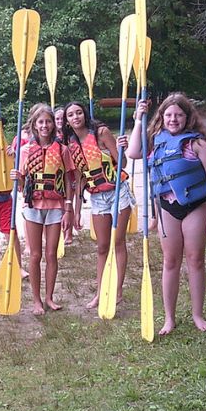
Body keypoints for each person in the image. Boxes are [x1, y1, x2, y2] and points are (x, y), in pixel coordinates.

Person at [126, 93, 206, 335]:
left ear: (187, 117)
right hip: (168, 208)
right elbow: (134, 152)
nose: (173, 119)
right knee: (170, 262)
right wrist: (138, 118)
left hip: (196, 206)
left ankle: (197, 315)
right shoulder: (154, 141)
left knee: (195, 259)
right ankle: (169, 318)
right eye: (168, 115)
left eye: (178, 115)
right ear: (161, 117)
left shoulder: (197, 144)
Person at [63, 101, 134, 310]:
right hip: (97, 198)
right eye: (71, 115)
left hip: (117, 191)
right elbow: (79, 178)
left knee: (117, 242)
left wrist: (122, 148)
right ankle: (101, 292)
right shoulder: (71, 142)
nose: (75, 117)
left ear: (84, 114)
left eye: (78, 113)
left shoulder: (101, 132)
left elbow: (124, 162)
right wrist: (76, 211)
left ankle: (118, 293)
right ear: (67, 121)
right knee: (102, 247)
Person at [10, 104, 75, 315]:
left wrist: (68, 208)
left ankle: (49, 297)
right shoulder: (25, 151)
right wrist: (17, 179)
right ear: (34, 126)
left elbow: (67, 179)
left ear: (53, 124)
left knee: (51, 254)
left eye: (48, 121)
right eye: (41, 122)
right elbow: (22, 187)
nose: (45, 125)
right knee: (36, 254)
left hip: (56, 206)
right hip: (33, 206)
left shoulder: (62, 150)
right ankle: (36, 300)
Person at [0, 114, 27, 282]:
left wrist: (13, 155)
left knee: (12, 234)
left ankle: (19, 266)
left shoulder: (9, 149)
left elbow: (17, 172)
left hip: (6, 198)